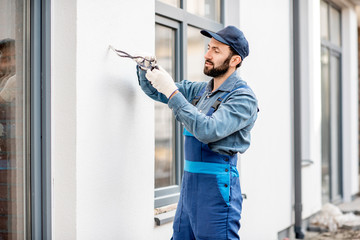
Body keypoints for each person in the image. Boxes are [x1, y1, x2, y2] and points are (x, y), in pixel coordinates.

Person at [136, 26, 258, 240]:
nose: (207, 54)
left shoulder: (243, 98)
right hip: (189, 185)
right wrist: (145, 69)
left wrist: (173, 92)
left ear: (235, 60)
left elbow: (207, 130)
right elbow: (155, 90)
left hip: (217, 188)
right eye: (209, 48)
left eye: (216, 51)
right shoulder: (200, 91)